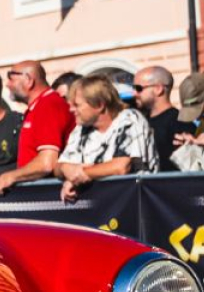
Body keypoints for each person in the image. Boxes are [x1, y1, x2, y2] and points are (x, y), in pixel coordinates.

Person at [0, 61, 74, 196]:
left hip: (49, 198)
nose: (7, 84)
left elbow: (47, 163)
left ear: (28, 80)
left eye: (11, 77)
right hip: (39, 194)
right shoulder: (37, 107)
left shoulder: (49, 105)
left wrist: (11, 176)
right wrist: (0, 180)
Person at [56, 74, 157, 202]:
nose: (71, 109)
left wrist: (79, 175)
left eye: (77, 105)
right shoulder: (81, 129)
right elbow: (58, 167)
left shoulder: (130, 119)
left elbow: (121, 167)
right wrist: (66, 169)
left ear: (99, 105)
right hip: (100, 208)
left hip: (137, 205)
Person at [132, 66, 183, 171]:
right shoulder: (140, 121)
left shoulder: (179, 122)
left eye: (139, 88)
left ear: (158, 89)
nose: (134, 94)